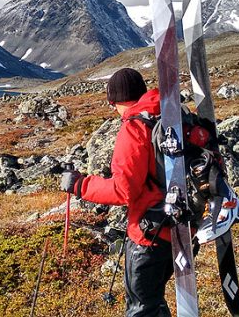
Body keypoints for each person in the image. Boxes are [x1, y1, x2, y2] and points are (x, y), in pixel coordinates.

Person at [60, 68, 173, 317]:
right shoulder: (169, 117)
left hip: (149, 234)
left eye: (113, 105)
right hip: (183, 224)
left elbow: (124, 190)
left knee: (142, 308)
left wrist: (80, 185)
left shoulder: (135, 127)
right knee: (154, 298)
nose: (114, 111)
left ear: (116, 101)